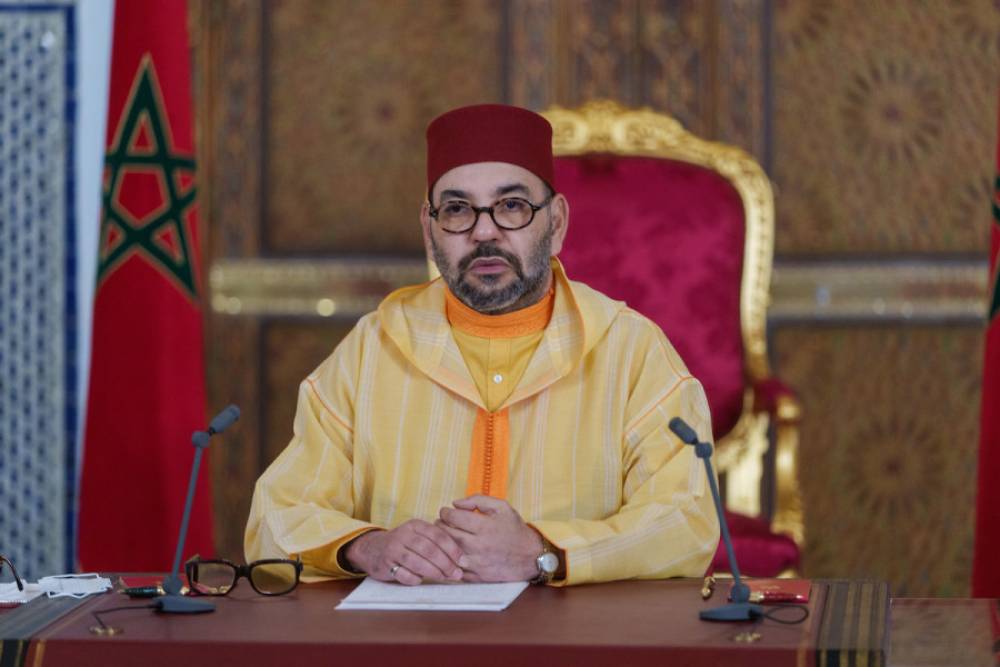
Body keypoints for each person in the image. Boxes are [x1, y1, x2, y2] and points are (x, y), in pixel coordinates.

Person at [245, 104, 719, 586]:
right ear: (429, 231)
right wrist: (366, 545)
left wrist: (545, 552)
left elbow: (686, 522)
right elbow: (275, 517)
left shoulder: (630, 350)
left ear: (555, 224)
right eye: (456, 209)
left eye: (512, 206)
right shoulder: (372, 350)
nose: (484, 231)